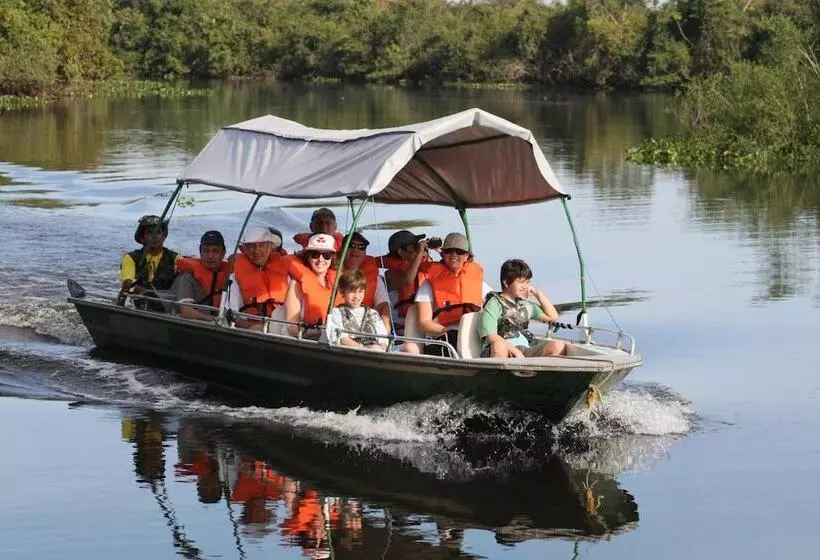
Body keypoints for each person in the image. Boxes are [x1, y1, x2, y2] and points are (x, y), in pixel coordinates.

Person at [404, 232, 490, 355]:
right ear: (443, 253)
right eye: (449, 251)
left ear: (466, 256)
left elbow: (495, 303)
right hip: (442, 337)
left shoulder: (476, 280)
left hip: (472, 334)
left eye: (459, 252)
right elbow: (425, 323)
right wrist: (447, 330)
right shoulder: (428, 285)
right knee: (455, 339)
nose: (453, 255)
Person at [479, 259, 567, 357]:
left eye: (527, 282)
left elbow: (553, 317)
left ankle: (543, 372)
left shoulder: (526, 305)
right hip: (501, 350)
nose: (525, 286)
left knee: (558, 345)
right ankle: (500, 372)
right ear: (506, 283)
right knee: (499, 345)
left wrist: (537, 293)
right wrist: (515, 351)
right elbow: (491, 336)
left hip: (525, 350)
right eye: (521, 282)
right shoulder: (494, 304)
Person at [226, 226, 291, 331]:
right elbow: (231, 314)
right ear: (245, 249)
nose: (256, 251)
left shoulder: (287, 272)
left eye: (261, 245)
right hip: (250, 329)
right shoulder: (235, 276)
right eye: (251, 246)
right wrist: (251, 327)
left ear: (270, 246)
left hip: (281, 328)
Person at [284, 233, 343, 339]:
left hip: (333, 339)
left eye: (326, 255)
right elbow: (292, 328)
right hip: (303, 340)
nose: (321, 260)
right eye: (315, 254)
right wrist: (321, 332)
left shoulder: (338, 282)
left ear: (332, 258)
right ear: (308, 256)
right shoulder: (296, 284)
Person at [119, 215, 182, 309]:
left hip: (164, 308)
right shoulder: (130, 258)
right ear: (142, 238)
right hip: (134, 305)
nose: (154, 237)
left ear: (163, 236)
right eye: (149, 233)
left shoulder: (176, 258)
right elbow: (128, 283)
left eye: (158, 232)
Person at [382, 230, 437, 334]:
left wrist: (444, 252)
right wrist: (420, 253)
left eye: (418, 249)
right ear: (400, 252)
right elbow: (407, 280)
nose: (418, 252)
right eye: (413, 249)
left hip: (424, 321)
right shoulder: (390, 274)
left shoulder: (422, 270)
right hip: (402, 327)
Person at [339, 231, 391, 332]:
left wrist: (385, 333)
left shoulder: (375, 278)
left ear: (364, 254)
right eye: (351, 245)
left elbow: (384, 305)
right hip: (340, 325)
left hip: (366, 328)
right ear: (342, 250)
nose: (355, 250)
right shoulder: (331, 272)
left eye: (361, 247)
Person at [326, 270, 389, 351]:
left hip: (375, 352)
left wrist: (380, 351)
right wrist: (364, 349)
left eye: (360, 291)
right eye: (352, 292)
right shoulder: (336, 313)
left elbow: (383, 340)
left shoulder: (373, 314)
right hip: (350, 353)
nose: (357, 296)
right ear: (342, 292)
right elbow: (342, 339)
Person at [175, 230, 230, 321]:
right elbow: (186, 312)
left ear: (223, 254)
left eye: (215, 251)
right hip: (197, 325)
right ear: (200, 253)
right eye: (206, 251)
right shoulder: (188, 276)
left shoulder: (231, 276)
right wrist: (215, 320)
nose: (210, 256)